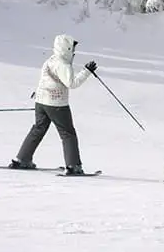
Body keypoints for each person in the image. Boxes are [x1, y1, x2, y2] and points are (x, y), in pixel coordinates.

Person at [8, 34, 97, 175]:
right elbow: (71, 83)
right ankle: (73, 166)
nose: (74, 50)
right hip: (56, 104)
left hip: (41, 102)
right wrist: (87, 72)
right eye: (73, 47)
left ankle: (22, 159)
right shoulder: (63, 64)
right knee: (67, 133)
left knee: (38, 129)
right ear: (66, 48)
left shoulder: (50, 60)